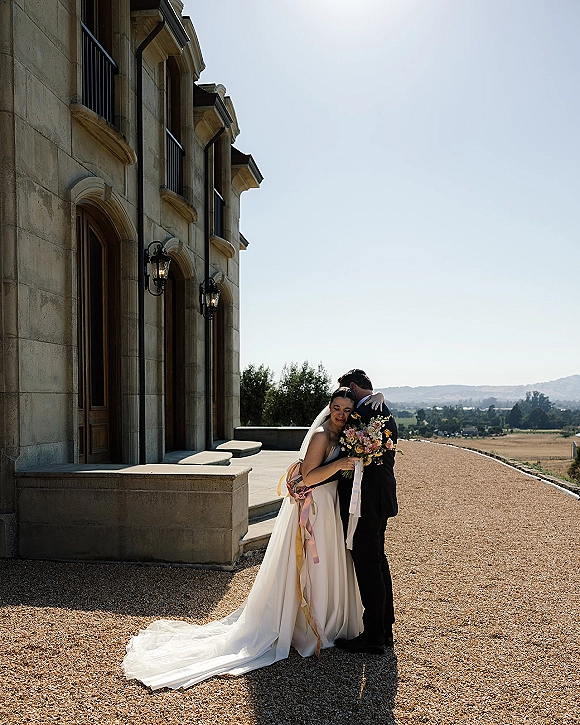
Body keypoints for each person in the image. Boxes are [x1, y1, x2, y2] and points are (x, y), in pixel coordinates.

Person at [123, 388, 364, 690]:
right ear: (329, 407)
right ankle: (304, 625)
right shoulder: (321, 435)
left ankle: (326, 620)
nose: (341, 414)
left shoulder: (344, 434)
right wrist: (340, 465)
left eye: (346, 410)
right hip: (315, 510)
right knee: (310, 568)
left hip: (329, 508)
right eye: (337, 408)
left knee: (327, 564)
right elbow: (308, 476)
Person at [334, 369, 398, 655]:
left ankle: (374, 635)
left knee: (368, 564)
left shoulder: (368, 411)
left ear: (352, 386)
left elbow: (355, 451)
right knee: (376, 561)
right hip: (378, 498)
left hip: (367, 500)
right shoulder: (379, 407)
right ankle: (383, 629)